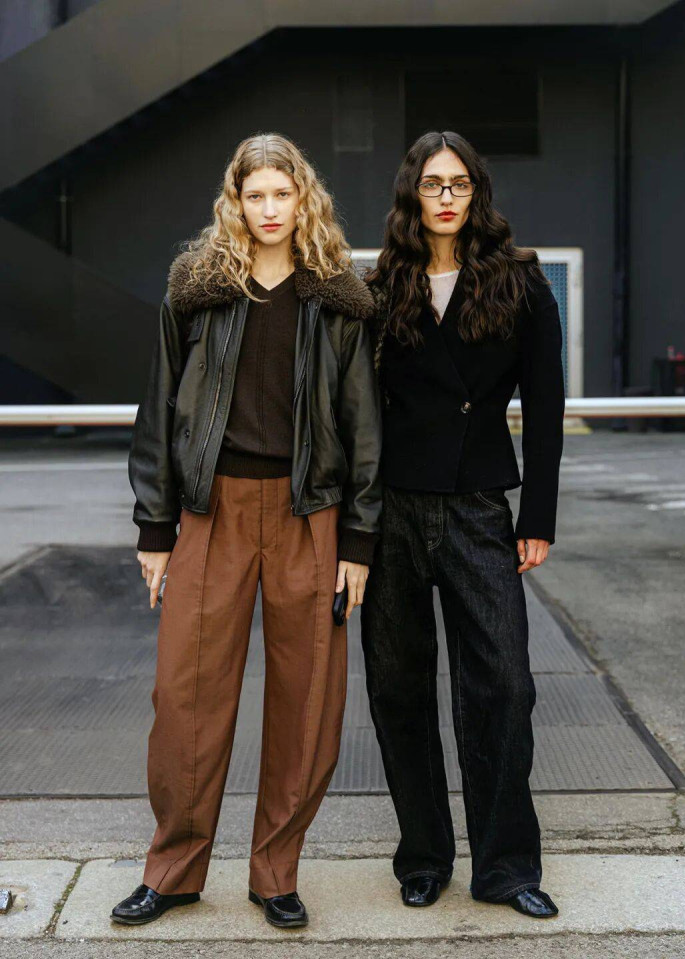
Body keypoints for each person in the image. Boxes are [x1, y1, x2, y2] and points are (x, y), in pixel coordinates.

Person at [112, 133, 382, 929]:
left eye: (282, 194)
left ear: (304, 199)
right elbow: (159, 408)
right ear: (235, 200)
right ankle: (174, 868)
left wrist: (358, 541)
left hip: (310, 514)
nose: (269, 209)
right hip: (212, 511)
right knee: (184, 693)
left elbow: (364, 426)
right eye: (254, 195)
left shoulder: (338, 298)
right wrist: (154, 527)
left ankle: (276, 872)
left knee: (308, 700)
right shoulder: (197, 289)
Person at [361, 131, 565, 918]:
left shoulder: (519, 281)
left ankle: (506, 866)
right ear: (412, 193)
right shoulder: (383, 285)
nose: (446, 196)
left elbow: (544, 405)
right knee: (397, 687)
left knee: (505, 685)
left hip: (479, 505)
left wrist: (537, 515)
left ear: (476, 192)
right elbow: (359, 409)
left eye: (459, 183)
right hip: (393, 509)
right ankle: (424, 856)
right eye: (432, 183)